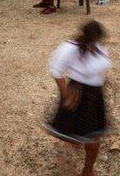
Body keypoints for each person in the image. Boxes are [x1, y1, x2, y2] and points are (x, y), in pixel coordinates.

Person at [45, 20, 111, 176]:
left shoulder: (99, 49)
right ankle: (87, 169)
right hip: (79, 93)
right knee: (89, 137)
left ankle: (87, 169)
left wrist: (103, 81)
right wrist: (65, 94)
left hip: (95, 94)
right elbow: (55, 70)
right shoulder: (70, 49)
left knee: (91, 136)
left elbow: (100, 68)